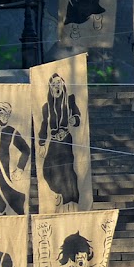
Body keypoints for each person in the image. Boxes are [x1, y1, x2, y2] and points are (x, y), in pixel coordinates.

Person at [36, 72, 83, 210]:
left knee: (67, 169)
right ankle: (59, 191)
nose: (56, 86)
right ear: (50, 87)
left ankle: (71, 199)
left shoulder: (70, 100)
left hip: (66, 139)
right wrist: (42, 143)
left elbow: (78, 116)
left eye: (58, 83)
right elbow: (44, 124)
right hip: (54, 141)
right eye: (54, 84)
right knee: (48, 170)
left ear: (62, 85)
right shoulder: (46, 106)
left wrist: (74, 119)